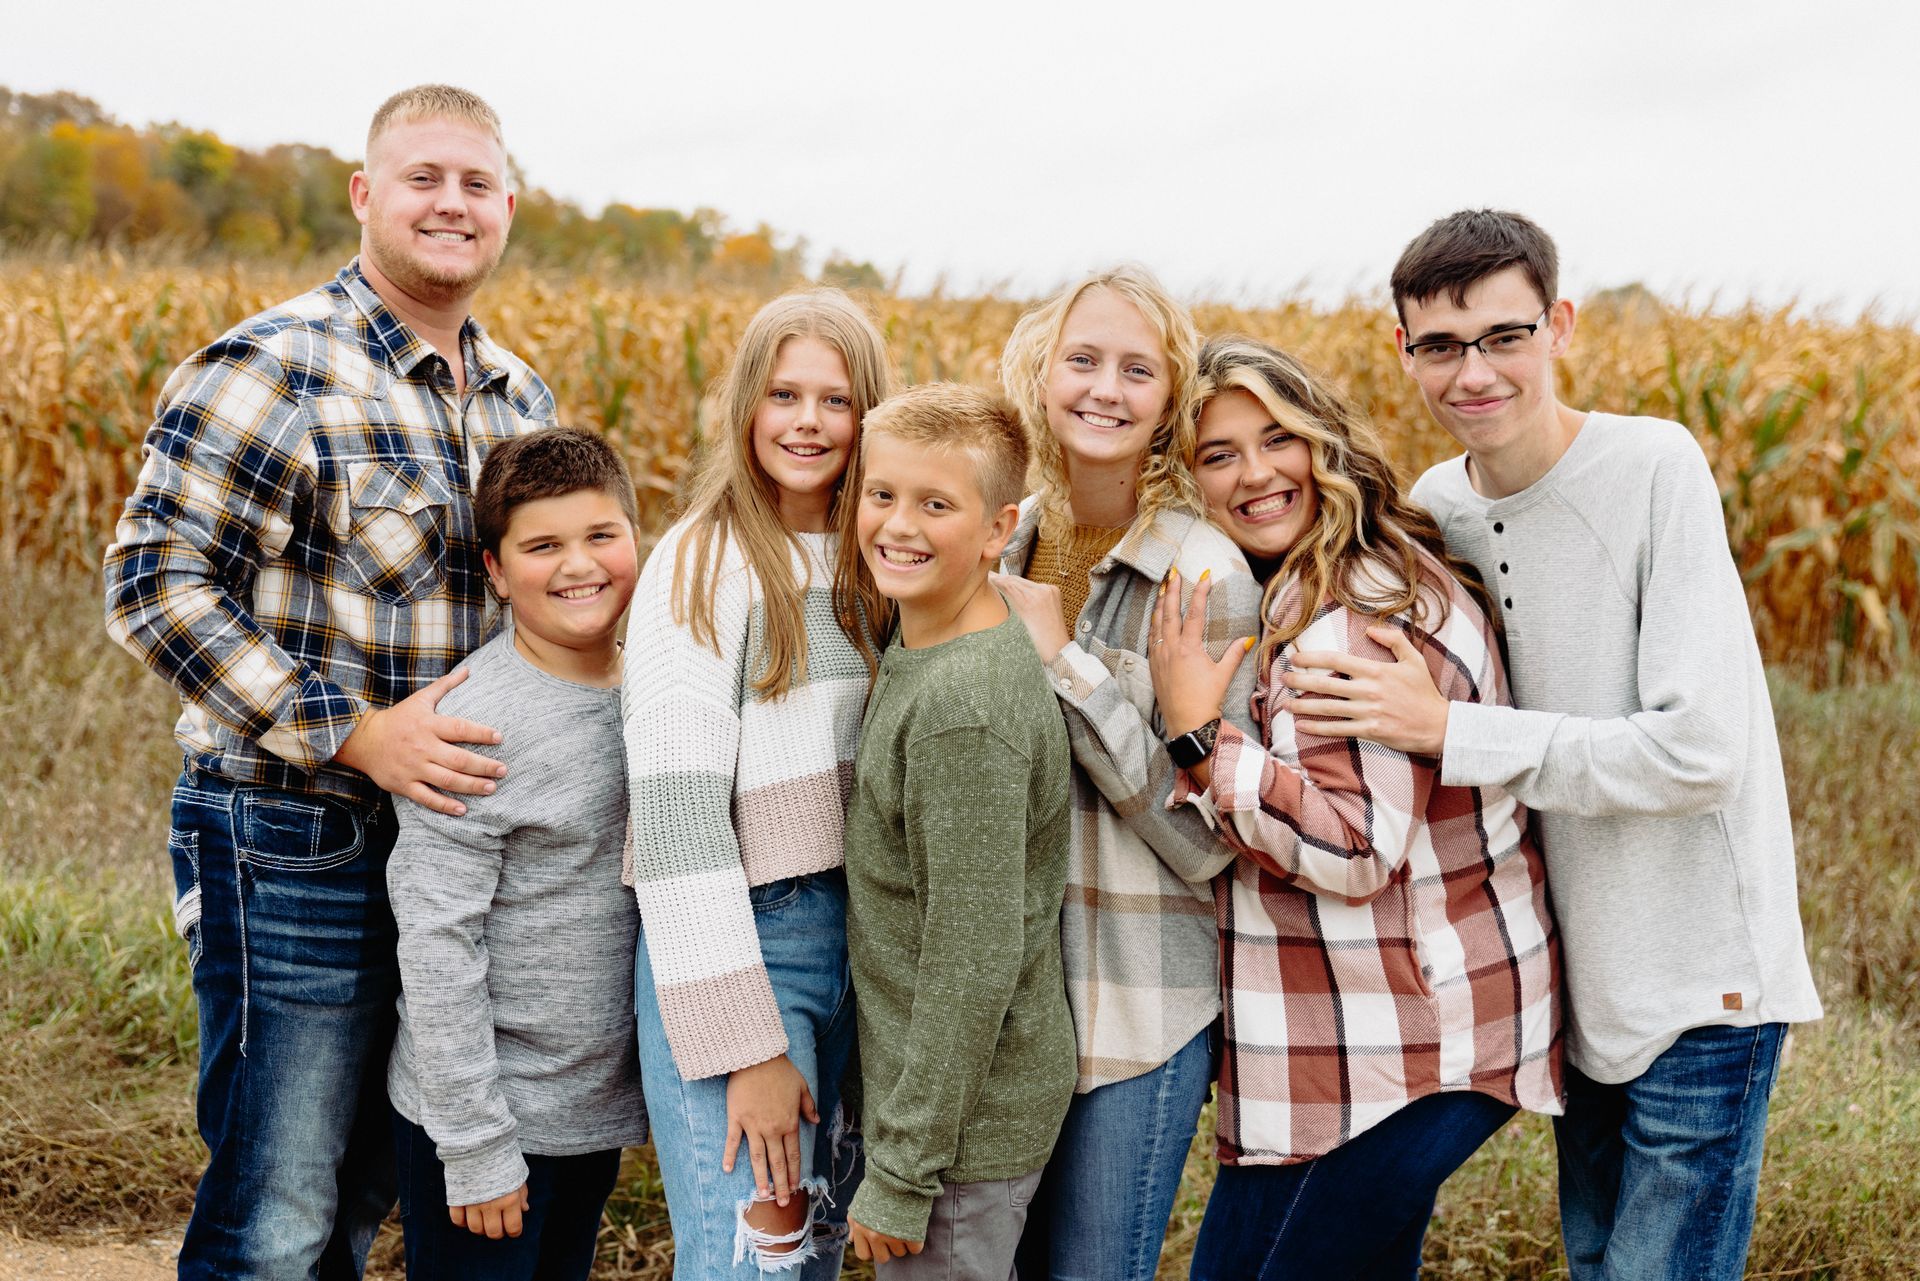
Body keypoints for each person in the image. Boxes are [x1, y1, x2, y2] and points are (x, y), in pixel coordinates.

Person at [1280, 209, 1823, 1279]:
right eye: (1439, 344)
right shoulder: (1439, 506)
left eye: (1504, 336)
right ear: (1403, 351)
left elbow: (1699, 753)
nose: (1472, 372)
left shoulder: (1655, 468)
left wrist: (1451, 732)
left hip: (1700, 982)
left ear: (1559, 325)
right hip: (1576, 987)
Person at [102, 84, 550, 1280]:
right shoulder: (281, 366)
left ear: (507, 205)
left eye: (474, 184)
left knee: (361, 1192)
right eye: (423, 178)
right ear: (366, 194)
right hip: (292, 836)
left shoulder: (517, 397)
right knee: (279, 1210)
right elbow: (153, 584)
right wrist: (351, 734)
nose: (450, 204)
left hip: (443, 858)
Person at [1147, 337, 1563, 1278]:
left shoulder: (1352, 617)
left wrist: (1200, 738)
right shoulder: (1324, 583)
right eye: (1219, 455)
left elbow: (1354, 847)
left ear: (1320, 442)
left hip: (1406, 1046)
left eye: (1277, 439)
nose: (1255, 473)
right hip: (1347, 1046)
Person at [991, 265, 1262, 1281]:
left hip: (1133, 1007)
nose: (1105, 388)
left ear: (1169, 401)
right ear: (1042, 372)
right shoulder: (1004, 542)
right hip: (1011, 1006)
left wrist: (1064, 660)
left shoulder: (1204, 573)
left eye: (1137, 370)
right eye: (1084, 359)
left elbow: (1209, 839)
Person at [622, 288, 893, 1276]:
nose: (809, 422)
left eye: (837, 399)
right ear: (746, 405)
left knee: (812, 1257)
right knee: (752, 1264)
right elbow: (679, 821)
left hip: (866, 950)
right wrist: (751, 1044)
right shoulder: (703, 561)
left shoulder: (883, 561)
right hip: (751, 939)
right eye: (785, 394)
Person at [384, 427, 647, 1279]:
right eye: (542, 546)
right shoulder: (472, 728)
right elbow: (437, 943)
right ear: (496, 571)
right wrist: (476, 1145)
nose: (579, 565)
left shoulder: (656, 687)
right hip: (487, 1123)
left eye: (601, 535)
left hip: (585, 1114)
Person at [842, 382, 1077, 1276]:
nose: (898, 525)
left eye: (936, 504)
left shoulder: (962, 710)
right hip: (950, 1114)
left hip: (959, 1138)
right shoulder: (927, 640)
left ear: (997, 527)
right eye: (883, 494)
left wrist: (903, 1169)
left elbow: (972, 954)